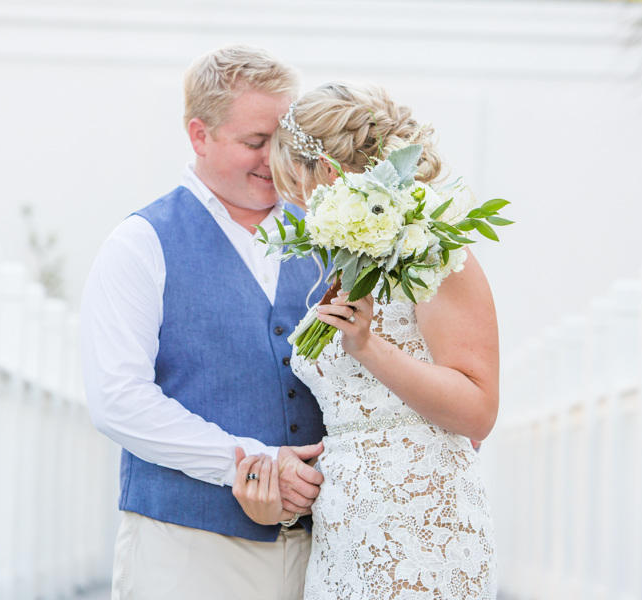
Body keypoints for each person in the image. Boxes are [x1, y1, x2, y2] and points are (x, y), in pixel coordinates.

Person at [80, 45, 331, 600]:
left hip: (323, 554)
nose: (275, 159)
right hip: (185, 548)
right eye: (255, 142)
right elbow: (117, 398)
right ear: (199, 134)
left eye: (285, 140)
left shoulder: (328, 238)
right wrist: (245, 462)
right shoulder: (141, 244)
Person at [233, 82, 499, 599]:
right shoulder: (350, 263)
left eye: (296, 184)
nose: (292, 204)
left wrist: (370, 347)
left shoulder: (432, 250)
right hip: (346, 528)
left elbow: (478, 408)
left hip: (422, 522)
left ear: (328, 174)